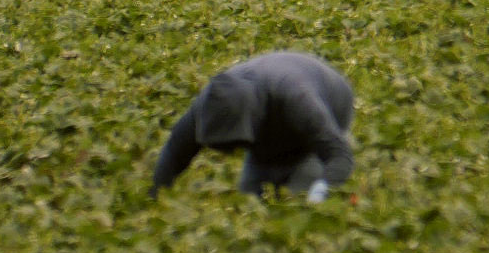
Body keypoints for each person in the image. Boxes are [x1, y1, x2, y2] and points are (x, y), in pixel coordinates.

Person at [151, 51, 354, 202]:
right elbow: (174, 152)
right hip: (274, 114)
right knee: (251, 201)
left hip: (331, 99)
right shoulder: (209, 104)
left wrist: (321, 190)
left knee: (298, 199)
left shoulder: (297, 99)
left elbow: (339, 156)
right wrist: (155, 197)